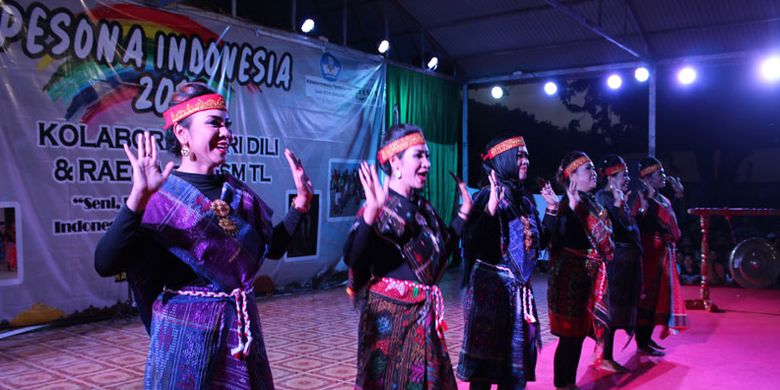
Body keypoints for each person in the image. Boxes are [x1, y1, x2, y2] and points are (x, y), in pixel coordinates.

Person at [94, 82, 313, 389]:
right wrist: (137, 199)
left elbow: (272, 248)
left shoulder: (237, 194)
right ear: (182, 134)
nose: (226, 133)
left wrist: (300, 206)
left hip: (240, 336)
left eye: (227, 124)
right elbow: (105, 263)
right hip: (185, 340)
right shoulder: (160, 196)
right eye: (214, 123)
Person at [343, 124, 472, 390]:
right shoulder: (379, 207)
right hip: (389, 325)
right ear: (395, 162)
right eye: (419, 156)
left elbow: (442, 250)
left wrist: (463, 215)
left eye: (428, 156)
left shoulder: (423, 207)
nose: (427, 164)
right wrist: (371, 215)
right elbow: (354, 260)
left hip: (423, 318)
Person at [457, 135, 554, 390]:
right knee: (485, 371)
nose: (526, 161)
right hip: (491, 295)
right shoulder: (487, 197)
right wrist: (489, 211)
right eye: (519, 155)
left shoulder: (525, 200)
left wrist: (552, 211)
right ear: (504, 160)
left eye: (527, 155)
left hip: (518, 297)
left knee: (513, 374)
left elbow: (539, 243)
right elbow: (470, 243)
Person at [545, 151, 614, 390]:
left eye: (593, 168)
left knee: (577, 334)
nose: (594, 173)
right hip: (570, 277)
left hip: (587, 276)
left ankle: (569, 382)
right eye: (588, 169)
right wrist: (572, 208)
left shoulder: (590, 201)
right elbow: (560, 237)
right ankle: (563, 383)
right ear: (571, 176)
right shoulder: (567, 203)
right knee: (569, 335)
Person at [633, 157, 688, 356]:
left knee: (657, 298)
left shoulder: (663, 200)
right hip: (648, 254)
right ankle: (641, 341)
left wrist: (680, 196)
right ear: (647, 178)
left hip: (662, 255)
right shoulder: (639, 198)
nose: (664, 177)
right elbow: (636, 223)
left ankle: (646, 339)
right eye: (659, 174)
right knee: (646, 298)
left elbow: (677, 225)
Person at [594, 155, 643, 372]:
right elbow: (608, 229)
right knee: (612, 309)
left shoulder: (623, 195)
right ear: (611, 178)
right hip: (615, 264)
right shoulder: (602, 198)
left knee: (621, 309)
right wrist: (617, 206)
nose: (627, 179)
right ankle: (605, 357)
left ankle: (606, 355)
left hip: (627, 264)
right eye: (624, 175)